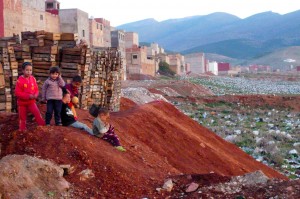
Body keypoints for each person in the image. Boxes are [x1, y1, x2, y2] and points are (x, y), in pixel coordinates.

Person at [15, 62, 45, 131]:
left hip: (31, 102)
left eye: (30, 70)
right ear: (23, 70)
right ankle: (22, 129)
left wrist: (36, 95)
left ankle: (42, 126)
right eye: (27, 70)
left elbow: (36, 89)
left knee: (37, 113)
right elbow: (17, 93)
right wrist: (28, 96)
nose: (29, 72)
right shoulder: (19, 81)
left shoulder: (33, 79)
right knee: (22, 117)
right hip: (22, 103)